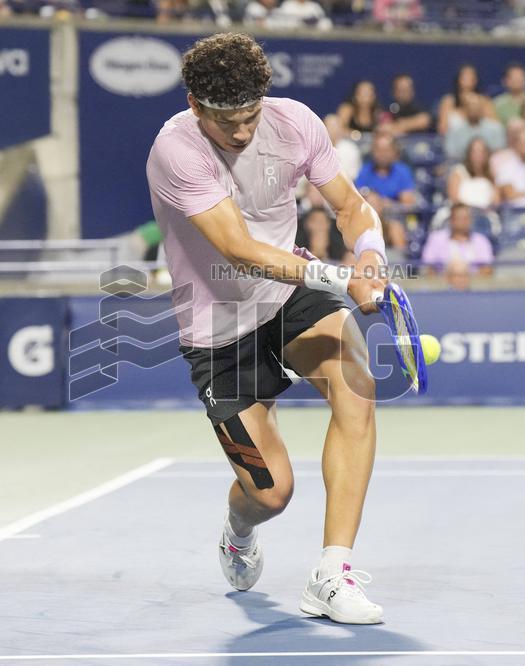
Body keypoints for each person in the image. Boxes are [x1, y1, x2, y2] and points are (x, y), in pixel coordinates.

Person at [146, 33, 387, 625]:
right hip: (216, 331)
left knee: (357, 390)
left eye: (251, 115)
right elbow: (239, 248)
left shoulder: (296, 125)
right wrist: (341, 277)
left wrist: (372, 253)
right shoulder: (176, 150)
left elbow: (351, 208)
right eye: (228, 120)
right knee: (270, 493)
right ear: (195, 105)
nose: (243, 133)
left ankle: (332, 572)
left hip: (289, 296)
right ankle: (238, 529)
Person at [421, 203, 494, 276]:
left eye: (466, 218)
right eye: (459, 218)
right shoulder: (436, 239)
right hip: (441, 283)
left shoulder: (481, 240)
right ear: (451, 220)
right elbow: (428, 268)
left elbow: (487, 268)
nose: (463, 222)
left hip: (475, 284)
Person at [443, 92, 507, 161]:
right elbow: (451, 154)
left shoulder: (496, 128)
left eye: (476, 106)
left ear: (482, 108)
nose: (473, 109)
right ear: (464, 109)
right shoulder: (454, 130)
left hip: (491, 166)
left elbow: (500, 152)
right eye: (470, 106)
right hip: (463, 165)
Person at [437, 63, 496, 136]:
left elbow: (494, 127)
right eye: (465, 77)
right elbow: (442, 129)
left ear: (476, 80)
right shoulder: (448, 101)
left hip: (480, 141)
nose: (468, 79)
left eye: (471, 77)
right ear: (458, 79)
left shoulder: (484, 101)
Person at [447, 137, 500, 211]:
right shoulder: (458, 171)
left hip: (485, 215)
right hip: (462, 215)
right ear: (469, 153)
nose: (478, 155)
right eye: (475, 151)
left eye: (482, 151)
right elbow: (454, 198)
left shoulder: (491, 173)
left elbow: (496, 201)